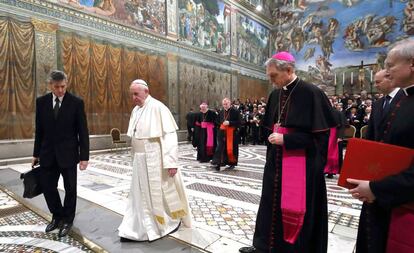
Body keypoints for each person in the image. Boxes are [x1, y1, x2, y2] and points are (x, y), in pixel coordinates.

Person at [239, 52, 336, 253]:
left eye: (273, 75)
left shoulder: (311, 93)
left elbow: (320, 139)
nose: (270, 79)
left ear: (289, 70)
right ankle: (265, 246)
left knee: (296, 209)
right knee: (270, 203)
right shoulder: (275, 94)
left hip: (302, 166)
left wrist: (287, 140)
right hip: (276, 162)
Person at [348, 39, 414, 253]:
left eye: (390, 65)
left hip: (402, 203)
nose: (386, 71)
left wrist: (376, 188)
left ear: (411, 64)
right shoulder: (403, 99)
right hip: (383, 197)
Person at [118, 79, 191, 242]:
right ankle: (137, 225)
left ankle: (167, 221)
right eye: (132, 95)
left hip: (154, 159)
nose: (134, 98)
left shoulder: (158, 107)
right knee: (139, 194)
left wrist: (171, 163)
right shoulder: (136, 110)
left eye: (136, 94)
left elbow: (170, 137)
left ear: (146, 91)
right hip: (139, 160)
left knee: (159, 192)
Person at [32, 70, 89, 237]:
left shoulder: (76, 103)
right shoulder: (41, 102)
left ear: (66, 84)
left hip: (69, 155)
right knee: (49, 188)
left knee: (70, 189)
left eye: (63, 86)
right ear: (50, 86)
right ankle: (57, 216)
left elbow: (82, 131)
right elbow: (39, 130)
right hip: (48, 154)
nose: (61, 90)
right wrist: (36, 153)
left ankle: (68, 219)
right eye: (57, 87)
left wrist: (84, 156)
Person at [365, 69, 403, 141]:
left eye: (378, 82)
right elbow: (371, 130)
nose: (375, 85)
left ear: (390, 79)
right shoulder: (377, 104)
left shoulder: (407, 98)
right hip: (379, 148)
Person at [211, 98, 241, 171]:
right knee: (220, 148)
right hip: (222, 133)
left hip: (232, 133)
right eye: (224, 104)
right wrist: (220, 125)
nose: (225, 105)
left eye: (226, 104)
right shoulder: (221, 112)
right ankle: (219, 162)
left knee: (231, 148)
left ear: (230, 103)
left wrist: (230, 123)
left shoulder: (235, 111)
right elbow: (217, 121)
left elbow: (240, 122)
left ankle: (232, 163)